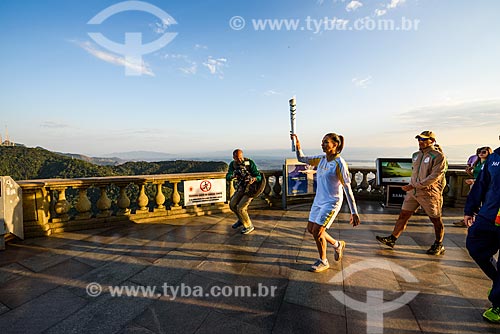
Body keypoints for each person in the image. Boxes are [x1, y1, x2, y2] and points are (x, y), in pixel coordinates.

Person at [291, 133, 360, 273]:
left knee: (318, 231)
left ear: (335, 145)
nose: (322, 144)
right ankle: (337, 244)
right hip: (319, 201)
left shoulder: (339, 163)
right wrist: (297, 144)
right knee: (311, 229)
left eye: (326, 142)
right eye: (322, 142)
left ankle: (323, 261)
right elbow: (301, 158)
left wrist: (354, 212)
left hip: (332, 202)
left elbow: (347, 187)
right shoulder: (321, 159)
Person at [376, 130, 447, 255]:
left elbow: (435, 176)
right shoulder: (415, 155)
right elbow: (414, 173)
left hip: (429, 194)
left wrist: (415, 185)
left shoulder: (438, 156)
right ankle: (392, 239)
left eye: (424, 139)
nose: (421, 141)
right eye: (419, 139)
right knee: (403, 215)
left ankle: (439, 243)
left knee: (435, 219)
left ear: (432, 140)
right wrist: (411, 185)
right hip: (413, 192)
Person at [464, 136, 500, 323]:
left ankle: (499, 303)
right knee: (475, 246)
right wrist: (470, 209)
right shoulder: (495, 159)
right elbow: (482, 184)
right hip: (489, 217)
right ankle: (498, 282)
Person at [225, 149, 264, 235]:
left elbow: (258, 176)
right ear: (233, 157)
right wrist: (232, 176)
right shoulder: (233, 164)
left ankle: (248, 226)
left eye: (240, 158)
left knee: (241, 208)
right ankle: (241, 220)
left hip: (250, 189)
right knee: (232, 204)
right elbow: (228, 176)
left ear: (242, 156)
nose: (239, 160)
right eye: (236, 158)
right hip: (240, 188)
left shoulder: (249, 163)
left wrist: (254, 179)